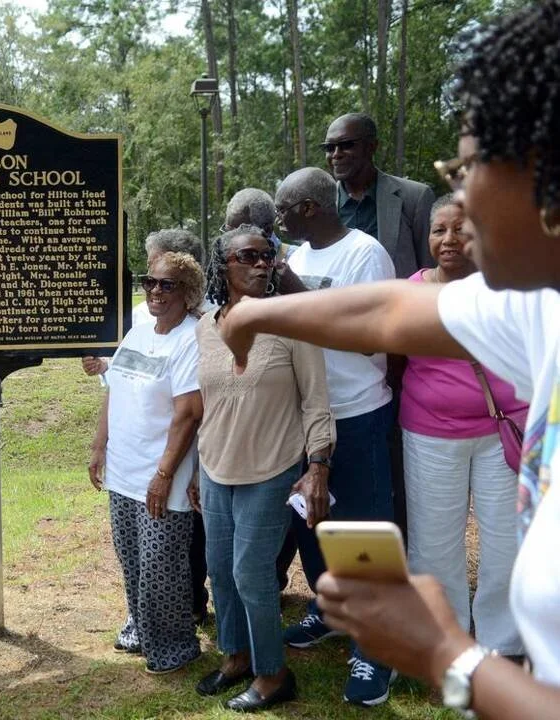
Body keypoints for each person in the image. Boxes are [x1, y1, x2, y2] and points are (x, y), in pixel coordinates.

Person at [216, 4, 560, 716]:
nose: (456, 203)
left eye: (464, 170)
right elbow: (388, 310)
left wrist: (446, 657)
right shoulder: (541, 305)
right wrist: (254, 314)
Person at [191, 227, 335, 711]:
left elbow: (316, 402)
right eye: (248, 255)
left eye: (267, 256)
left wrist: (318, 466)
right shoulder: (206, 326)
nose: (261, 263)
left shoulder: (293, 324)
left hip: (271, 467)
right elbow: (207, 405)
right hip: (215, 466)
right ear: (223, 265)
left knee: (252, 573)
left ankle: (273, 674)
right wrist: (195, 467)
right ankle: (236, 656)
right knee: (220, 570)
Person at [273, 166, 400, 706]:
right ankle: (327, 611)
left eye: (283, 209)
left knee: (363, 533)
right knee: (312, 524)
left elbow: (373, 339)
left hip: (357, 412)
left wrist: (298, 295)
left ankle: (378, 651)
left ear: (309, 208)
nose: (276, 220)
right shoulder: (296, 258)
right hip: (306, 417)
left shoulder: (365, 254)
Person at [398, 195, 526, 657]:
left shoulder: (510, 287)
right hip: (430, 433)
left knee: (505, 540)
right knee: (434, 541)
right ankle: (445, 638)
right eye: (439, 230)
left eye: (461, 229)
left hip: (501, 433)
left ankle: (503, 645)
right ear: (428, 237)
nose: (449, 239)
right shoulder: (411, 290)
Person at [83, 227, 211, 638]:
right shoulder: (138, 332)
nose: (155, 291)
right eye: (149, 282)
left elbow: (189, 414)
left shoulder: (192, 338)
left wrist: (165, 474)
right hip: (123, 470)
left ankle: (172, 644)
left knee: (162, 563)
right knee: (131, 557)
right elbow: (114, 390)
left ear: (188, 292)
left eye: (166, 285)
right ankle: (139, 625)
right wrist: (99, 444)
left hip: (160, 474)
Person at [323, 112, 436, 279]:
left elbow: (431, 270)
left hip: (399, 302)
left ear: (371, 147)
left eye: (347, 145)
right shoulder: (323, 205)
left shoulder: (415, 197)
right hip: (339, 304)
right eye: (329, 147)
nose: (336, 154)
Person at [220, 188, 295, 260]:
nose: (229, 241)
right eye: (227, 232)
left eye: (238, 234)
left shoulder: (298, 263)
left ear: (267, 231)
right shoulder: (224, 263)